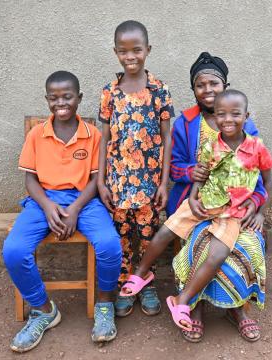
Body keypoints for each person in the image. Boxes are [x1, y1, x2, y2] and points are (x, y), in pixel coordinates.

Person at [120, 89, 272, 336]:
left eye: (235, 114)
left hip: (232, 213)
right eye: (221, 114)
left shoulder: (257, 147)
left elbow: (266, 183)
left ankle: (182, 301)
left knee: (216, 254)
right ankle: (142, 273)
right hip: (204, 202)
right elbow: (200, 177)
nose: (228, 119)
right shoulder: (211, 145)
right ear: (215, 115)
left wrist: (259, 211)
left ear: (247, 116)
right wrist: (192, 200)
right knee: (166, 231)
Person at [2, 71, 122, 352]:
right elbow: (30, 179)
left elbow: (96, 179)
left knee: (110, 245)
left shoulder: (92, 135)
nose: (61, 103)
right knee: (14, 250)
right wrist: (48, 206)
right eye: (54, 98)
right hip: (43, 200)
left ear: (78, 98)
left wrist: (75, 209)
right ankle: (43, 309)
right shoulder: (36, 134)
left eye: (67, 96)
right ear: (47, 100)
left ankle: (104, 303)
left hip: (85, 200)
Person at [97, 20, 174, 318]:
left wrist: (164, 183)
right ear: (116, 52)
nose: (131, 57)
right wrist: (102, 182)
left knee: (147, 235)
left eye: (137, 50)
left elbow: (167, 138)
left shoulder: (159, 90)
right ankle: (125, 285)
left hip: (150, 183)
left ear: (148, 50)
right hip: (117, 183)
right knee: (121, 236)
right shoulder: (109, 92)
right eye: (123, 51)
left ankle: (148, 283)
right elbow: (104, 139)